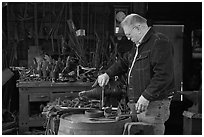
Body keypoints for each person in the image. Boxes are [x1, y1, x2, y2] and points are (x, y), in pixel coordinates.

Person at [95, 13, 176, 135]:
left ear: (138, 28)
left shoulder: (159, 42)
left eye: (128, 34)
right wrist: (107, 74)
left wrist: (146, 96)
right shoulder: (138, 47)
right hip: (139, 105)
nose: (128, 38)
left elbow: (164, 75)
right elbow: (123, 62)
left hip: (153, 105)